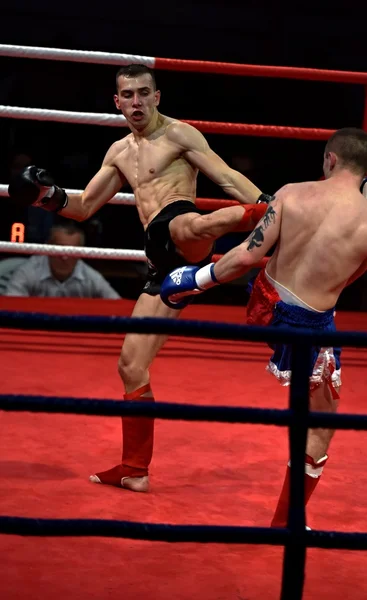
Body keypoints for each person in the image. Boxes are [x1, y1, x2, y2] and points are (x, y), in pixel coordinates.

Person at [7, 63, 272, 492]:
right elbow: (85, 206)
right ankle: (135, 470)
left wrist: (264, 202)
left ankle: (279, 215)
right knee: (131, 365)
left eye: (143, 93)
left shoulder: (179, 135)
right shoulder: (118, 152)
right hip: (161, 263)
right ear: (117, 101)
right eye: (127, 95)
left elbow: (226, 177)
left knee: (184, 225)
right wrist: (45, 197)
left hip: (184, 233)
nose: (136, 102)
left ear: (157, 96)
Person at [161, 128, 367, 526]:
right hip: (309, 324)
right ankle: (286, 523)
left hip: (264, 301)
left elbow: (246, 257)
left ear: (329, 160)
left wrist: (192, 281)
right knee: (321, 428)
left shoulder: (290, 193)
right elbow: (349, 279)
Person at [4, 220, 121, 299]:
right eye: (60, 249)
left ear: (81, 253)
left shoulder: (91, 277)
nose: (64, 257)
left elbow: (117, 305)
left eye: (71, 251)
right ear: (48, 248)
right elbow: (10, 304)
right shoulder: (28, 272)